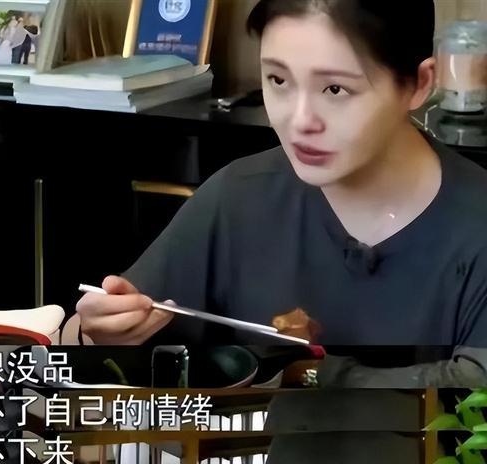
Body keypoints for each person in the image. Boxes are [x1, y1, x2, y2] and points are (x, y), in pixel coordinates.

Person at [76, 0, 487, 385]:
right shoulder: (238, 197)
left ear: (418, 84)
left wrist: (312, 377)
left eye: (335, 90)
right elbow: (106, 336)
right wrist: (97, 334)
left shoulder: (474, 224)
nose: (299, 120)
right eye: (278, 80)